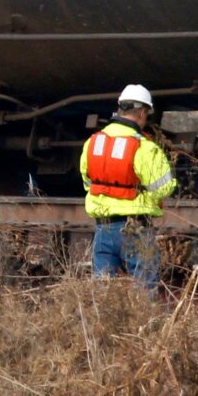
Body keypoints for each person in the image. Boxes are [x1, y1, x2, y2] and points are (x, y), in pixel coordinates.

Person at [79, 84, 177, 295]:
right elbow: (164, 188)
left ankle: (103, 328)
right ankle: (143, 328)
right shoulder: (145, 147)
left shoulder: (93, 143)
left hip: (103, 228)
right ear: (142, 113)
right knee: (144, 293)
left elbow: (88, 182)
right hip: (135, 229)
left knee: (103, 294)